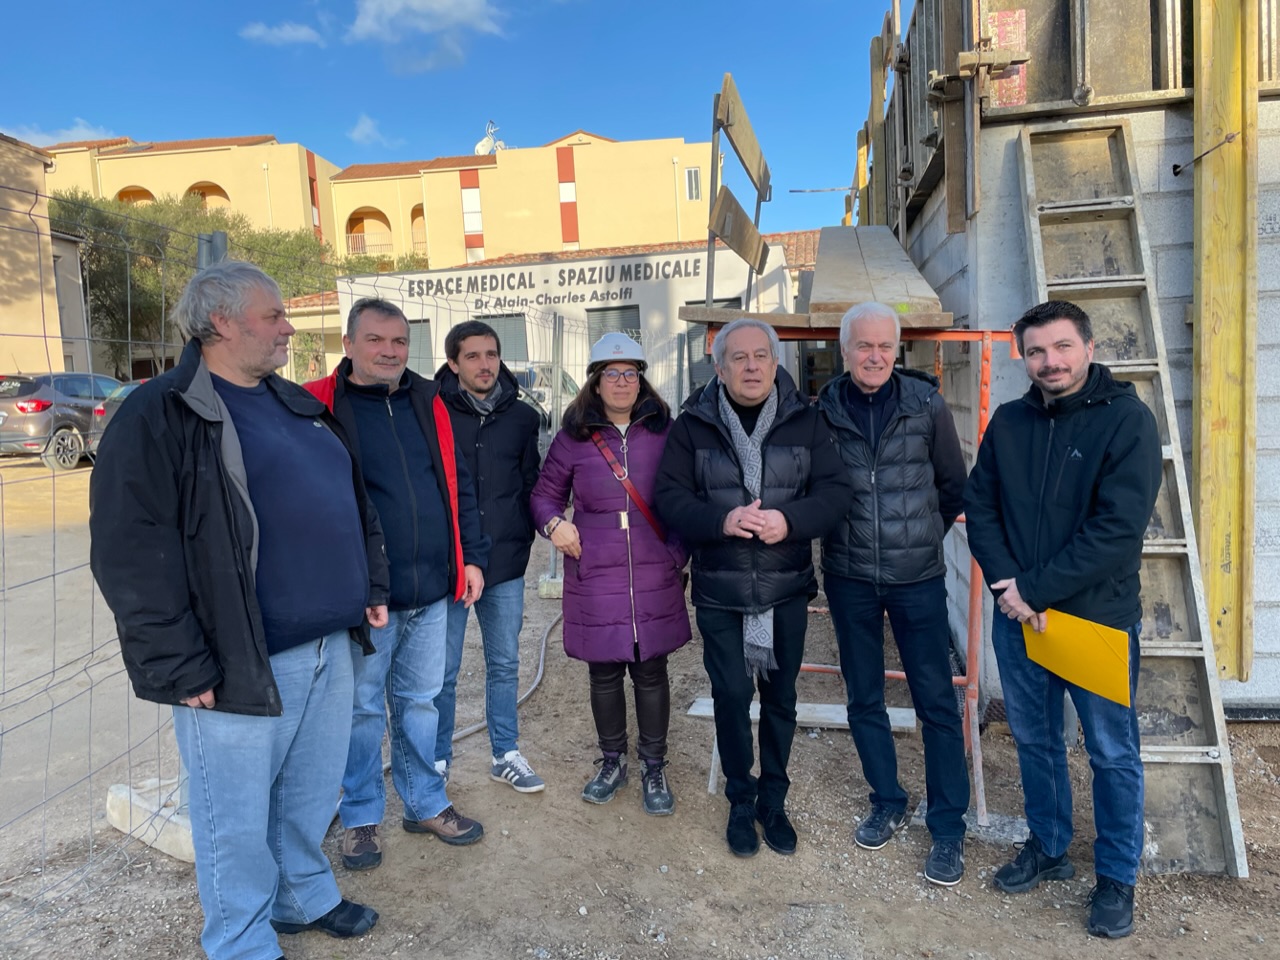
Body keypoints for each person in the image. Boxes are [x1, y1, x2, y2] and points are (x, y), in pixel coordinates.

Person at [90, 261, 387, 960]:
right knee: (233, 816)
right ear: (220, 321)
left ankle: (302, 898)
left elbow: (352, 501)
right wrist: (175, 660)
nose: (289, 327)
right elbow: (130, 551)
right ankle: (240, 941)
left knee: (309, 796)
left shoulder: (294, 403)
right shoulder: (160, 412)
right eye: (275, 315)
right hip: (234, 658)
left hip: (329, 643)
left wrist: (368, 585)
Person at [964, 300, 1161, 938]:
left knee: (1110, 752)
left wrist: (1034, 590)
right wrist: (1007, 587)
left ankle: (1116, 878)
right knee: (1036, 740)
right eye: (1038, 351)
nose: (1050, 362)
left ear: (1089, 347)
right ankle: (1049, 848)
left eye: (1062, 348)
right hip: (1018, 617)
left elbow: (1117, 531)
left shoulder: (1127, 422)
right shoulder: (1012, 422)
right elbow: (981, 505)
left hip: (1093, 621)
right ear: (1024, 354)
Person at [654, 318, 854, 857]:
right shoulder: (693, 426)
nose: (750, 366)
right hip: (721, 590)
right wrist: (720, 520)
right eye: (737, 358)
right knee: (732, 696)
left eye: (760, 356)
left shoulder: (805, 421)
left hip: (785, 587)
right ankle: (741, 800)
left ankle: (774, 799)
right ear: (718, 368)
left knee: (781, 698)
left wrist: (788, 521)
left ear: (775, 363)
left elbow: (836, 492)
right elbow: (669, 498)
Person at [305, 297, 491, 872]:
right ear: (349, 344)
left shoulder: (425, 399)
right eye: (376, 340)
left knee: (420, 703)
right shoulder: (321, 406)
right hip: (370, 596)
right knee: (361, 710)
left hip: (433, 586)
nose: (389, 352)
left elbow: (456, 484)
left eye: (399, 342)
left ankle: (426, 803)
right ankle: (360, 818)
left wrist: (470, 558)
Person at [817, 302, 971, 886]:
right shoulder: (825, 410)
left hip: (918, 579)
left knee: (935, 701)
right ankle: (887, 798)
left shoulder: (926, 405)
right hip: (850, 575)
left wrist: (921, 537)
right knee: (864, 696)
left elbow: (952, 486)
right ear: (845, 350)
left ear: (897, 350)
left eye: (884, 346)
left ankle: (948, 825)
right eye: (863, 346)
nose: (874, 356)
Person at [529, 332, 691, 815]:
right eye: (611, 374)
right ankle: (612, 760)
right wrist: (555, 524)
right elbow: (543, 496)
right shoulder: (572, 439)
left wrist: (675, 554)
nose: (621, 382)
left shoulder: (666, 432)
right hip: (596, 569)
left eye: (630, 373)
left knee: (650, 668)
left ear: (641, 380)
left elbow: (689, 494)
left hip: (652, 565)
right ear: (595, 383)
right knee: (603, 672)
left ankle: (654, 765)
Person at [434, 320, 545, 793]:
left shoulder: (522, 419)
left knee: (504, 663)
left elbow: (530, 485)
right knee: (443, 670)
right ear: (454, 362)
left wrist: (522, 538)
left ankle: (506, 752)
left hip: (505, 565)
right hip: (452, 565)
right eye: (474, 356)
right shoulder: (433, 411)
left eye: (492, 354)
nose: (485, 364)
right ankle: (436, 761)